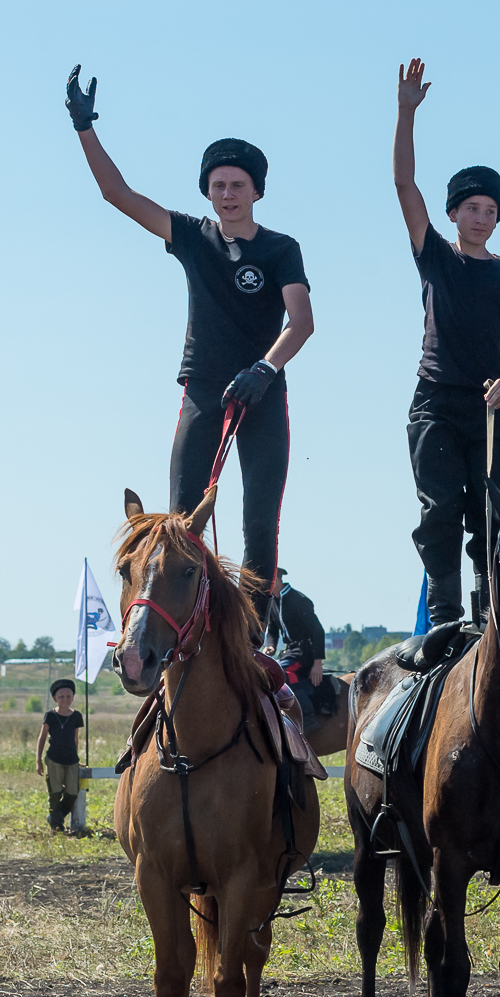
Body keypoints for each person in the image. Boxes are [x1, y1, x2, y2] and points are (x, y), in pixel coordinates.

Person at [66, 65, 314, 626]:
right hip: (204, 391)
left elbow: (301, 321)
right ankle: (183, 629)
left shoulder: (280, 249)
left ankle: (254, 631)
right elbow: (116, 194)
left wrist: (265, 368)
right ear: (207, 190)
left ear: (257, 191)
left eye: (239, 185)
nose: (228, 194)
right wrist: (85, 128)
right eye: (219, 185)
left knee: (258, 520)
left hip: (261, 392)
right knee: (181, 519)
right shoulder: (192, 237)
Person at [393, 58, 500, 628]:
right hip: (435, 404)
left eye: (491, 211)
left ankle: (489, 613)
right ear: (454, 213)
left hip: (488, 405)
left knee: (494, 515)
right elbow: (404, 183)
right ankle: (446, 619)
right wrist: (406, 113)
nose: (482, 217)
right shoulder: (435, 254)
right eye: (472, 208)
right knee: (442, 511)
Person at [264, 569, 328, 718]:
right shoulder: (272, 602)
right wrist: (271, 645)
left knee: (285, 672)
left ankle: (306, 714)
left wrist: (317, 663)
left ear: (277, 581)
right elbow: (272, 630)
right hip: (290, 651)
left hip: (305, 652)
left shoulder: (299, 600)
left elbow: (318, 631)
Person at [35, 679, 84, 834]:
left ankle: (55, 817)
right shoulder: (49, 716)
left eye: (68, 696)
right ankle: (57, 826)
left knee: (72, 793)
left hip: (71, 760)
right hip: (54, 759)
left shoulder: (76, 716)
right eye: (61, 696)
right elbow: (42, 738)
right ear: (55, 698)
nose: (65, 699)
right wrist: (38, 760)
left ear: (73, 697)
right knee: (55, 792)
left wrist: (77, 757)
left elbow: (76, 738)